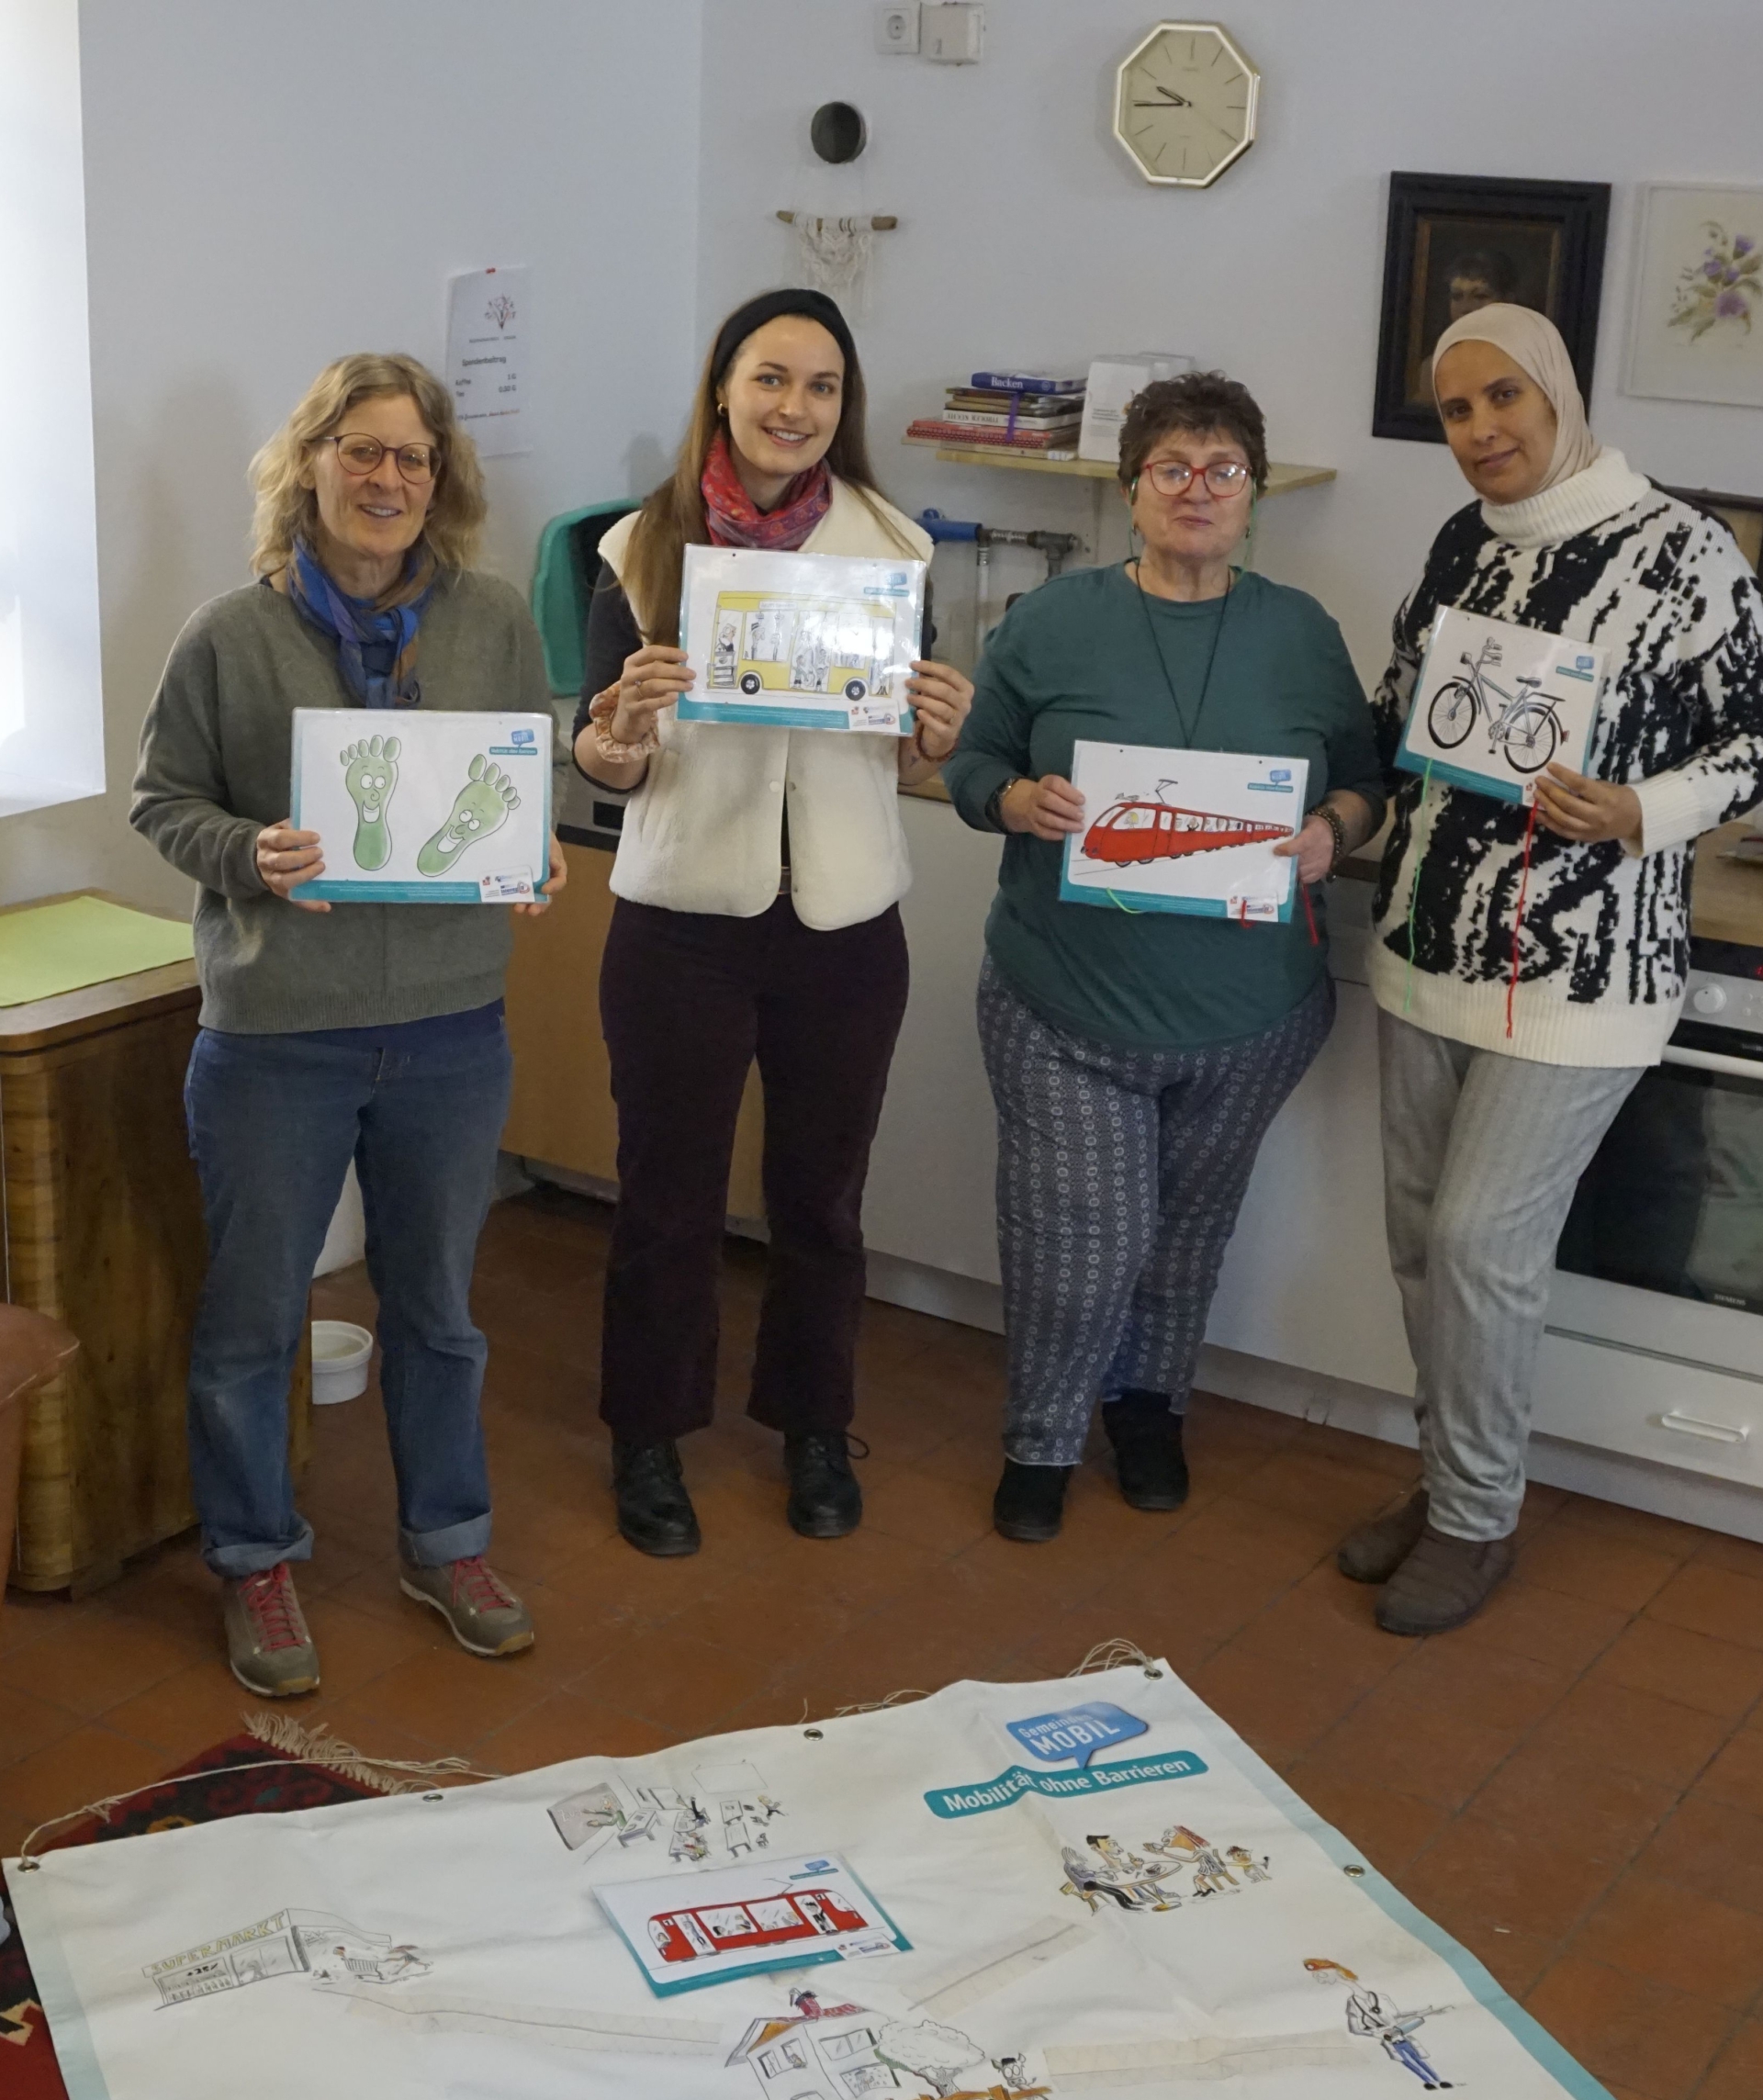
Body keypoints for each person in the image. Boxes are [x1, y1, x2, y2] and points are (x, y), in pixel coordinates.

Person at [131, 352, 566, 1695]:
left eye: (413, 457)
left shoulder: (493, 620)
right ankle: (258, 1556)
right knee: (254, 1317)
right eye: (360, 451)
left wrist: (532, 852)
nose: (387, 478)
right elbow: (163, 801)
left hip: (450, 1023)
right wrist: (248, 851)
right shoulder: (227, 633)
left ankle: (448, 1540)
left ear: (444, 481)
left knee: (438, 1310)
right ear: (309, 464)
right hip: (278, 1034)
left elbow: (517, 784)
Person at [1342, 305, 1763, 1634]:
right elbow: (1403, 701)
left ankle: (1476, 1518)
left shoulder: (1684, 549)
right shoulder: (1463, 540)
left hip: (1586, 970)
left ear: (1559, 394)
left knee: (1481, 1241)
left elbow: (1756, 733)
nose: (1481, 432)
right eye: (1457, 410)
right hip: (1425, 946)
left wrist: (1645, 809)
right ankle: (1447, 1472)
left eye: (1503, 398)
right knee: (1422, 1242)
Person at [943, 371, 1386, 1543]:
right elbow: (970, 765)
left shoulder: (1300, 633)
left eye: (1224, 471)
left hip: (1251, 1012)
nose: (1199, 491)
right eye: (1172, 470)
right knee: (1078, 1244)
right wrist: (1017, 797)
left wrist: (1332, 831)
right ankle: (1041, 1437)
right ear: (1131, 489)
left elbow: (1366, 780)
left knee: (1188, 1235)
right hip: (1064, 1001)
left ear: (1253, 496)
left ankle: (1150, 1408)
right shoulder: (1050, 620)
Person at [572, 289, 972, 1557]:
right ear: (724, 390)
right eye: (771, 378)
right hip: (683, 917)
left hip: (845, 923)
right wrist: (620, 729)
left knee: (822, 1199)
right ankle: (648, 1436)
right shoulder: (642, 547)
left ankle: (812, 1422)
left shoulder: (894, 548)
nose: (795, 407)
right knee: (666, 1198)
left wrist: (937, 740)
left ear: (842, 409)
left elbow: (905, 764)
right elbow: (602, 763)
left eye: (822, 386)